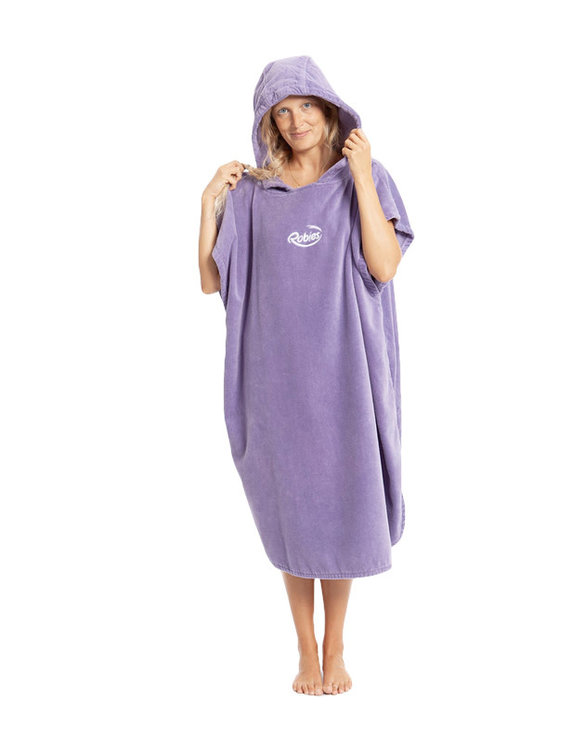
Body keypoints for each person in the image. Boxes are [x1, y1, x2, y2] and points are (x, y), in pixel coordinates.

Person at [198, 56, 415, 696]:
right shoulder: (253, 194)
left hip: (346, 373)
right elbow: (211, 280)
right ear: (270, 121)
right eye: (282, 111)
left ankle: (336, 646)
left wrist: (362, 176)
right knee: (295, 512)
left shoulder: (365, 177)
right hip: (276, 379)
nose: (296, 121)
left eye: (307, 106)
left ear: (328, 109)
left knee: (341, 505)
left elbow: (384, 266)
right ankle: (304, 649)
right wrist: (208, 203)